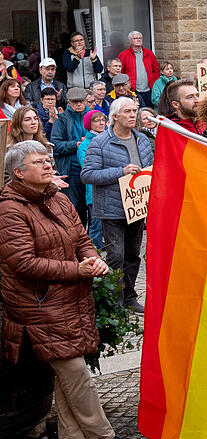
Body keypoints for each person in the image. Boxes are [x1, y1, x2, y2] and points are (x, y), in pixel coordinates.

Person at [0, 140, 143, 439]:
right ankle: (103, 437)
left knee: (68, 375)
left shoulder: (59, 198)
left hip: (69, 298)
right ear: (18, 173)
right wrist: (76, 270)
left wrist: (93, 259)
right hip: (36, 304)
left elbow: (81, 239)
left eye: (48, 160)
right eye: (39, 162)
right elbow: (23, 263)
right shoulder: (9, 209)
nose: (48, 165)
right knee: (75, 371)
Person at [80, 97, 153, 314]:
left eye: (134, 111)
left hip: (136, 208)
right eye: (127, 111)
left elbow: (150, 169)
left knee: (133, 255)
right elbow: (87, 175)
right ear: (115, 116)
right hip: (112, 209)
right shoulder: (100, 142)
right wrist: (120, 172)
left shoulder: (142, 139)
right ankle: (114, 302)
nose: (133, 115)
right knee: (115, 257)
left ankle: (129, 297)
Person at [51, 87, 91, 222]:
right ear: (68, 102)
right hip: (71, 168)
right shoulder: (61, 120)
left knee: (91, 207)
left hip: (91, 167)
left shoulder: (93, 117)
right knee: (73, 207)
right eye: (75, 102)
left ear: (86, 101)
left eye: (81, 101)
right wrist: (76, 145)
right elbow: (55, 144)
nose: (79, 104)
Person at [77, 110, 107, 248]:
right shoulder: (85, 145)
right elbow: (88, 169)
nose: (101, 123)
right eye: (97, 120)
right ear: (89, 124)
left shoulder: (110, 139)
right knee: (96, 225)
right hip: (94, 191)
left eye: (103, 120)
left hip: (111, 189)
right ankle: (95, 253)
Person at [118, 31, 160, 108]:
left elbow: (156, 70)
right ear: (130, 41)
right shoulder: (124, 55)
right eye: (135, 38)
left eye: (140, 38)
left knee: (149, 111)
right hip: (133, 90)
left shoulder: (149, 53)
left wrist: (154, 84)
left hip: (149, 90)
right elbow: (120, 72)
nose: (138, 40)